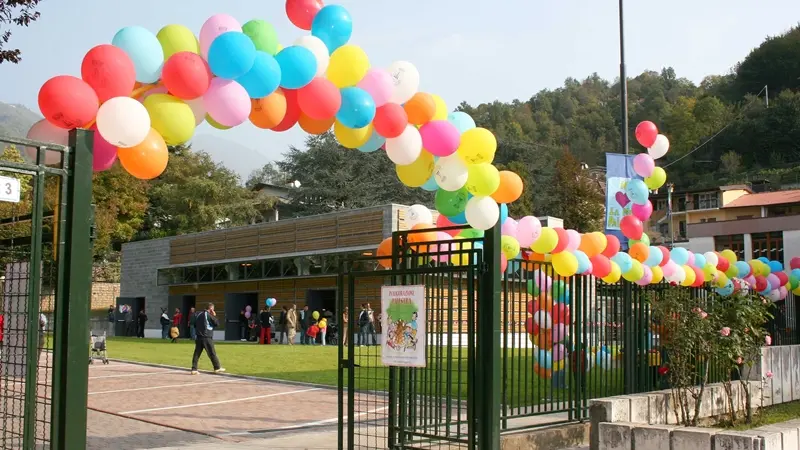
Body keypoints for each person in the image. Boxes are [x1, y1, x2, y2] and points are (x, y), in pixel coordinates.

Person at [191, 303, 225, 375]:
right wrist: (214, 315)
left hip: (198, 337)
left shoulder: (198, 314)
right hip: (206, 337)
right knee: (212, 353)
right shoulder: (208, 315)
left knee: (197, 353)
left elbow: (193, 323)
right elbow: (217, 323)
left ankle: (194, 369)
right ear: (211, 309)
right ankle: (217, 367)